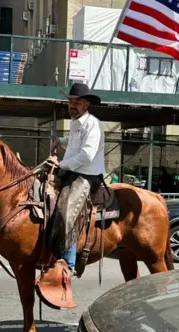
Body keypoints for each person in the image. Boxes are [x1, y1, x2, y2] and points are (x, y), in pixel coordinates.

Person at [49, 82, 105, 278]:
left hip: (87, 175)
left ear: (86, 104)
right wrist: (61, 141)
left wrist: (61, 165)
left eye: (77, 102)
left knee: (66, 208)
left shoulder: (93, 124)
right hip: (72, 171)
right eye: (70, 101)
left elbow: (86, 156)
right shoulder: (75, 123)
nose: (72, 105)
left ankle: (69, 262)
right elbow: (74, 142)